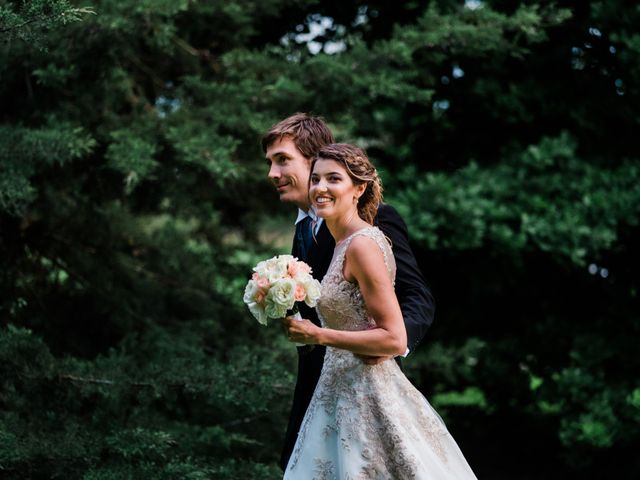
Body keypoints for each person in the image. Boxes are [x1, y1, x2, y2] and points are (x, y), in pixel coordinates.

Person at [282, 143, 477, 478]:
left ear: (359, 188)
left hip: (367, 393)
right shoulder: (339, 244)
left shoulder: (363, 245)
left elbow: (393, 336)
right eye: (315, 179)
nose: (320, 188)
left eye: (333, 179)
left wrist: (318, 334)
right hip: (335, 391)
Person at [262, 113, 435, 471]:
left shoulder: (374, 221)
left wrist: (392, 345)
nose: (272, 175)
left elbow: (417, 297)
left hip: (368, 385)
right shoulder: (299, 234)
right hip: (317, 393)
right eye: (270, 163)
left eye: (282, 160)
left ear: (314, 158)